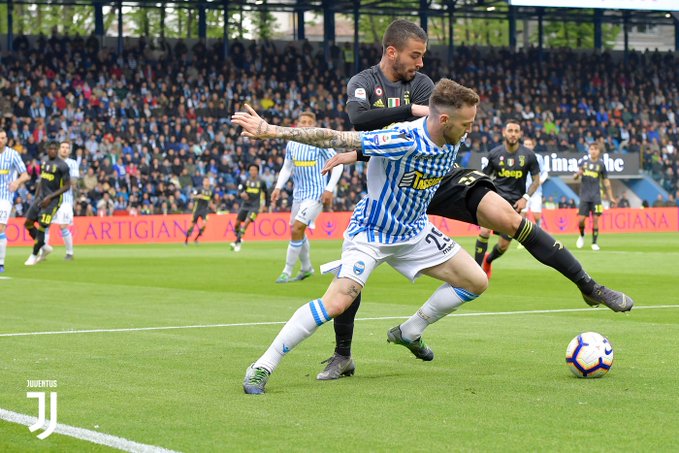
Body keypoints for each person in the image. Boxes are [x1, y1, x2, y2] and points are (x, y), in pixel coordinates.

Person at [313, 19, 633, 382]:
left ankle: (588, 286)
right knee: (356, 266)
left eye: (423, 56)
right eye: (415, 55)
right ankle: (342, 354)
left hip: (438, 172)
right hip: (397, 183)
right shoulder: (363, 83)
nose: (421, 64)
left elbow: (427, 133)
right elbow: (360, 120)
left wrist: (372, 143)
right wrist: (367, 146)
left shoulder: (421, 84)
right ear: (392, 51)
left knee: (510, 219)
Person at [235, 80, 488, 395]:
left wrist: (353, 157)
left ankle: (410, 331)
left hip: (414, 230)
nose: (471, 130)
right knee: (337, 302)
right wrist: (272, 130)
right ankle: (263, 365)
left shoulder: (453, 136)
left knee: (476, 282)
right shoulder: (404, 138)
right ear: (445, 120)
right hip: (372, 231)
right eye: (467, 123)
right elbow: (335, 137)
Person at [270, 111, 343, 283]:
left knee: (296, 229)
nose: (306, 124)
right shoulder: (292, 144)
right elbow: (287, 168)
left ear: (314, 125)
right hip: (298, 195)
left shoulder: (320, 143)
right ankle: (306, 268)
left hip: (316, 194)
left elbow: (338, 165)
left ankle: (287, 271)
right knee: (298, 231)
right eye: (303, 122)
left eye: (309, 122)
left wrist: (329, 188)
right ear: (298, 124)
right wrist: (278, 187)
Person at [474, 120, 540, 277]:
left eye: (516, 131)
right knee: (484, 231)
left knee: (503, 245)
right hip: (495, 199)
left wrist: (525, 198)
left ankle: (488, 261)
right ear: (504, 133)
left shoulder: (529, 155)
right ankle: (475, 271)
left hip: (516, 204)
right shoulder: (495, 154)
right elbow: (484, 176)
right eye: (510, 130)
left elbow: (536, 180)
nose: (513, 134)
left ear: (520, 134)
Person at [24, 142, 71, 266]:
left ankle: (34, 255)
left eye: (55, 149)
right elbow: (42, 181)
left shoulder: (63, 166)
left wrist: (50, 197)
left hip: (53, 201)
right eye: (51, 149)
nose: (53, 151)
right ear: (47, 150)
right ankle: (44, 246)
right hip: (40, 198)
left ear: (57, 151)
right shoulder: (44, 162)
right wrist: (36, 198)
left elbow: (67, 186)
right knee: (27, 223)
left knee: (42, 227)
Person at [574, 142, 616, 251]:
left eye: (595, 149)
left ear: (599, 151)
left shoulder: (601, 165)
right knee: (581, 220)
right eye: (591, 149)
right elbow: (575, 177)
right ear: (589, 150)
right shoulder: (583, 162)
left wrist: (611, 196)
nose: (593, 151)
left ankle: (594, 242)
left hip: (596, 196)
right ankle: (582, 235)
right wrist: (578, 173)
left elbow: (606, 181)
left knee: (596, 219)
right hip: (584, 196)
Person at [0, 130, 31, 273]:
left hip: (5, 196)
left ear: (6, 139)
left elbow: (25, 175)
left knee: (0, 228)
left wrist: (17, 182)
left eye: (3, 138)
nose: (1, 140)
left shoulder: (12, 154)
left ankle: (0, 263)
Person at [43, 141, 79, 260]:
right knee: (46, 224)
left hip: (65, 200)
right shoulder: (51, 162)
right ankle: (42, 253)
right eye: (62, 147)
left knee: (63, 226)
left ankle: (70, 253)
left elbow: (73, 181)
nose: (64, 149)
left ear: (69, 150)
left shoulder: (72, 163)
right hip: (51, 199)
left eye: (66, 148)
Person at [230, 164, 268, 252]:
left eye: (254, 170)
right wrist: (241, 193)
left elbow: (266, 194)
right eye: (251, 170)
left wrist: (266, 205)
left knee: (247, 221)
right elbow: (239, 189)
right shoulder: (246, 181)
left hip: (255, 207)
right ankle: (239, 239)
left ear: (257, 171)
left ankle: (237, 241)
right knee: (237, 224)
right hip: (245, 205)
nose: (253, 172)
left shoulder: (261, 182)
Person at [522, 137, 548, 228]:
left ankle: (539, 233)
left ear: (533, 146)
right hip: (523, 190)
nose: (528, 146)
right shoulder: (519, 157)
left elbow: (545, 172)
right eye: (526, 144)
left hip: (536, 191)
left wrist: (540, 181)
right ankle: (522, 239)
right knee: (522, 215)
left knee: (537, 215)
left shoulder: (538, 158)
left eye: (530, 144)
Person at [185, 177, 213, 245]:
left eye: (208, 181)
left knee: (204, 224)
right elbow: (192, 196)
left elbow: (210, 200)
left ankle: (196, 239)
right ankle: (186, 240)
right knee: (192, 225)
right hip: (197, 209)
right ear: (203, 182)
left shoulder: (210, 191)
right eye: (205, 181)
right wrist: (198, 196)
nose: (207, 182)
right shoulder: (199, 189)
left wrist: (212, 205)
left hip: (205, 210)